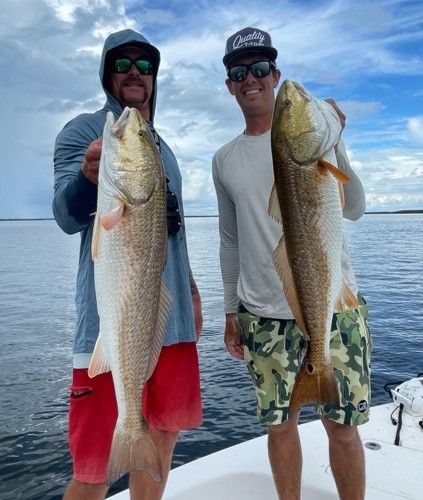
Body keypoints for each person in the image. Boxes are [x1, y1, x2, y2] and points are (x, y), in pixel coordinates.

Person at [212, 27, 371, 500]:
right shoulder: (224, 159)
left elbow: (355, 207)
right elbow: (229, 240)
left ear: (274, 75)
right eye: (240, 72)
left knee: (342, 429)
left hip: (335, 308)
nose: (251, 79)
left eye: (261, 69)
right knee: (280, 429)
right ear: (230, 85)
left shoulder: (320, 147)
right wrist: (229, 311)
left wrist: (335, 141)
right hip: (262, 315)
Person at [53, 29, 203, 500]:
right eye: (122, 64)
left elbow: (172, 232)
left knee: (161, 438)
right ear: (106, 74)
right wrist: (86, 178)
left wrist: (193, 290)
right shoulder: (86, 132)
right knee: (94, 466)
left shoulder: (161, 146)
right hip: (110, 326)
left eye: (144, 64)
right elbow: (65, 215)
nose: (134, 72)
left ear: (155, 77)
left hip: (172, 320)